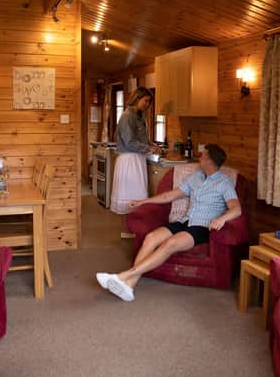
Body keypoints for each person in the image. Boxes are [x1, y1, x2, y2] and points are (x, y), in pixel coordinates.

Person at [97, 144, 242, 301]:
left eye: (203, 156)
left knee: (170, 244)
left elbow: (236, 209)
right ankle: (130, 285)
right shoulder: (196, 177)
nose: (199, 158)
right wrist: (142, 202)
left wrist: (222, 219)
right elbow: (170, 196)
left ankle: (123, 276)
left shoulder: (224, 182)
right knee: (151, 238)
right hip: (184, 221)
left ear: (209, 161)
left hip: (202, 227)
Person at [109, 87, 160, 237]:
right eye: (145, 101)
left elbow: (141, 139)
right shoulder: (127, 117)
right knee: (131, 195)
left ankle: (132, 229)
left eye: (149, 102)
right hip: (129, 159)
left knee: (135, 195)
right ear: (137, 98)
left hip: (137, 159)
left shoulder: (138, 116)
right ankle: (127, 230)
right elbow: (130, 142)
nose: (147, 104)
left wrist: (151, 145)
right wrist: (148, 148)